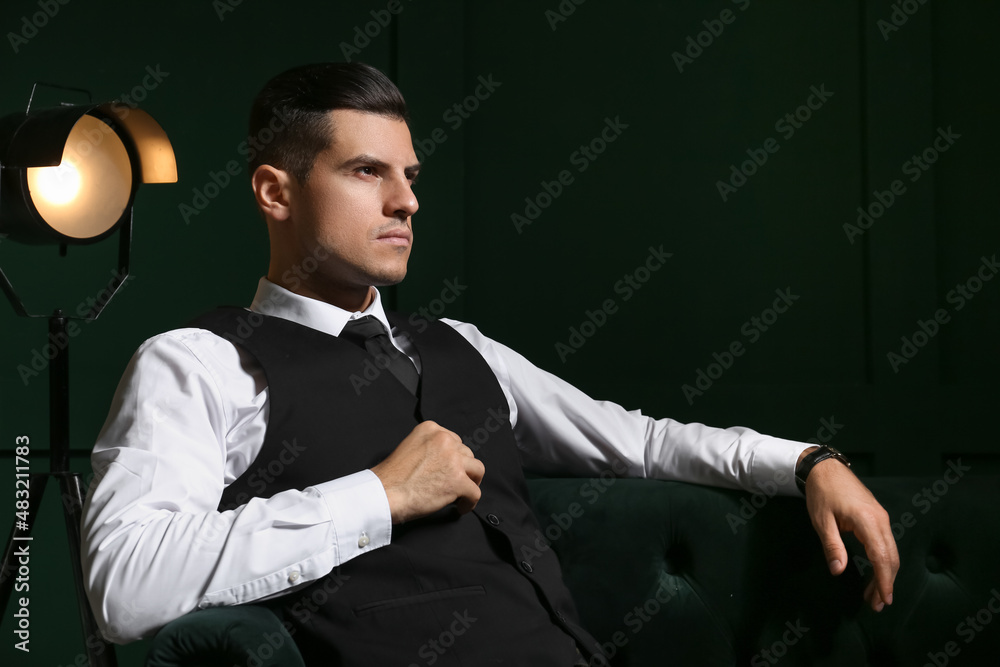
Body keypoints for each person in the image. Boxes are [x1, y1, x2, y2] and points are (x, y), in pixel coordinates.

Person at [81, 62, 899, 665]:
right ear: (275, 192)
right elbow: (125, 585)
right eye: (367, 172)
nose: (406, 200)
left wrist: (806, 462)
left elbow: (642, 443)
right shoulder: (200, 364)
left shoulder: (462, 346)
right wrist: (382, 494)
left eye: (409, 175)